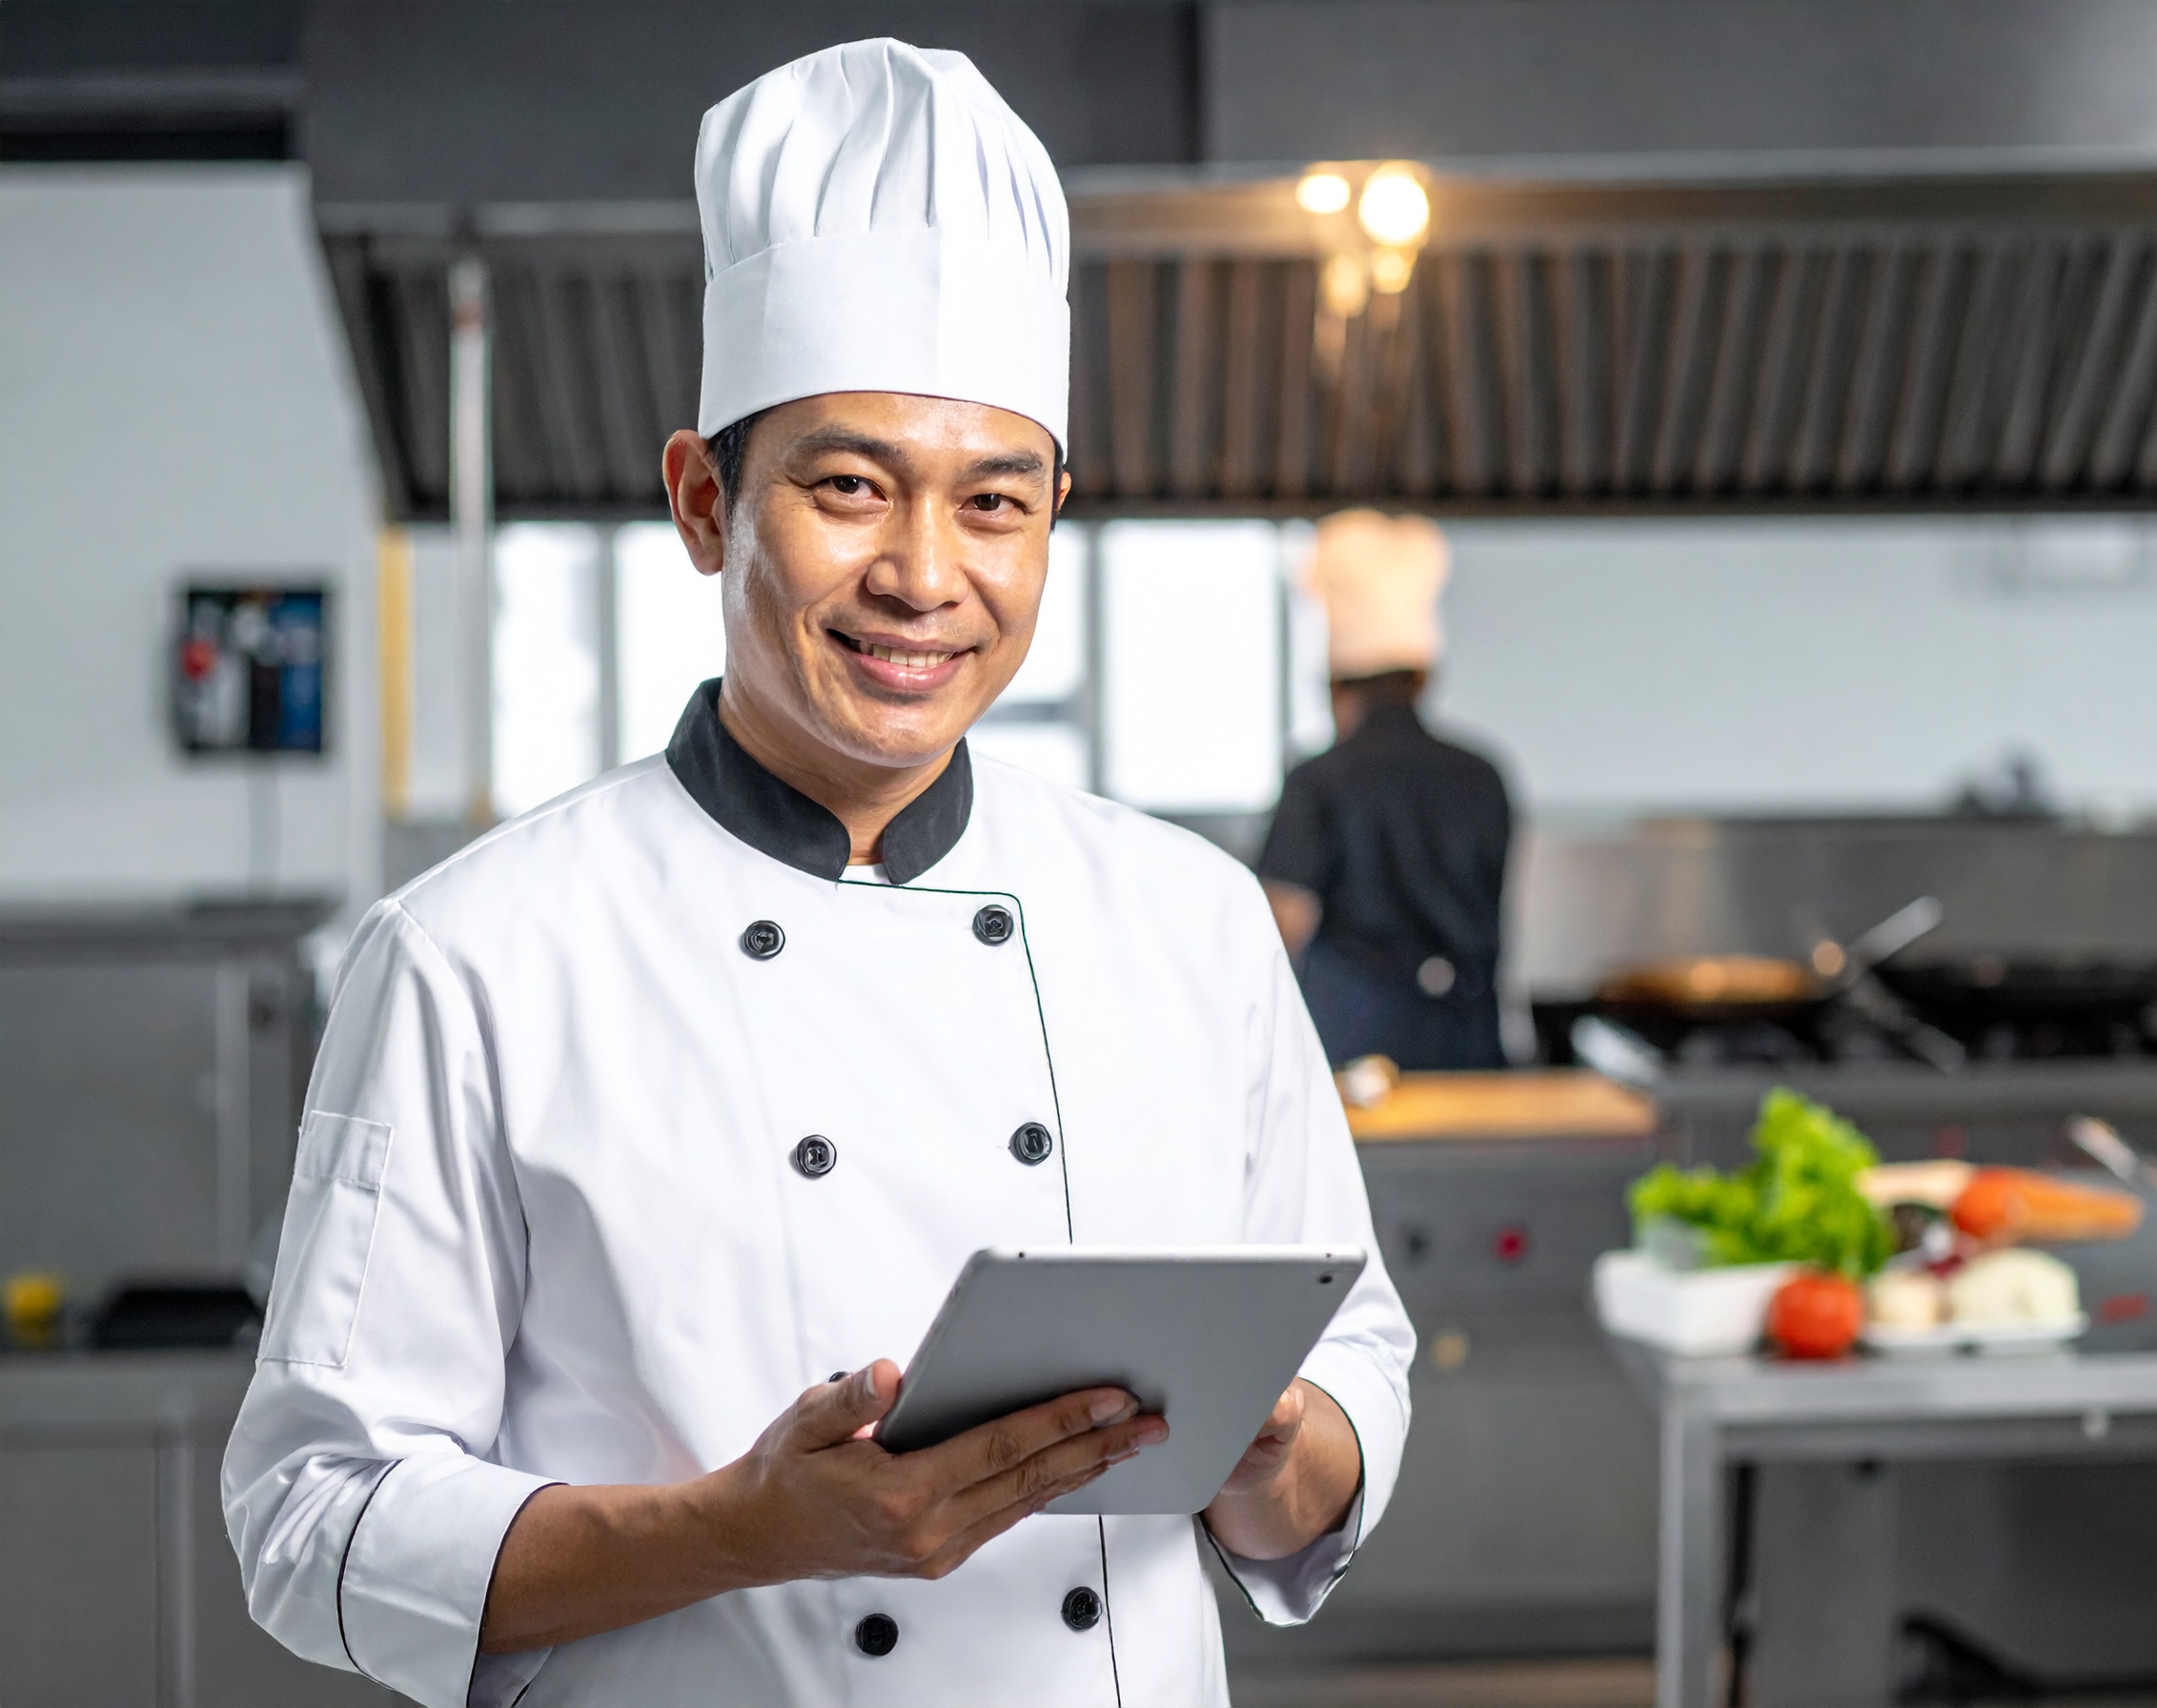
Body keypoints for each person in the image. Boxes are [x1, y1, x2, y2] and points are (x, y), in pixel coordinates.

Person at [222, 40, 1412, 1708]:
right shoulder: (474, 955)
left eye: (992, 503)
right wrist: (743, 1525)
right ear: (706, 502)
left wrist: (1272, 1445)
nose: (923, 575)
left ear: (1048, 525)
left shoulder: (1186, 921)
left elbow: (1349, 1353)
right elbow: (313, 1522)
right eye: (848, 487)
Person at [1259, 510, 1513, 1071]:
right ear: (1422, 679)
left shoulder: (1320, 778)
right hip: (1470, 1042)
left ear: (1336, 688)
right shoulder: (1483, 774)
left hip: (1356, 1049)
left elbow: (1285, 922)